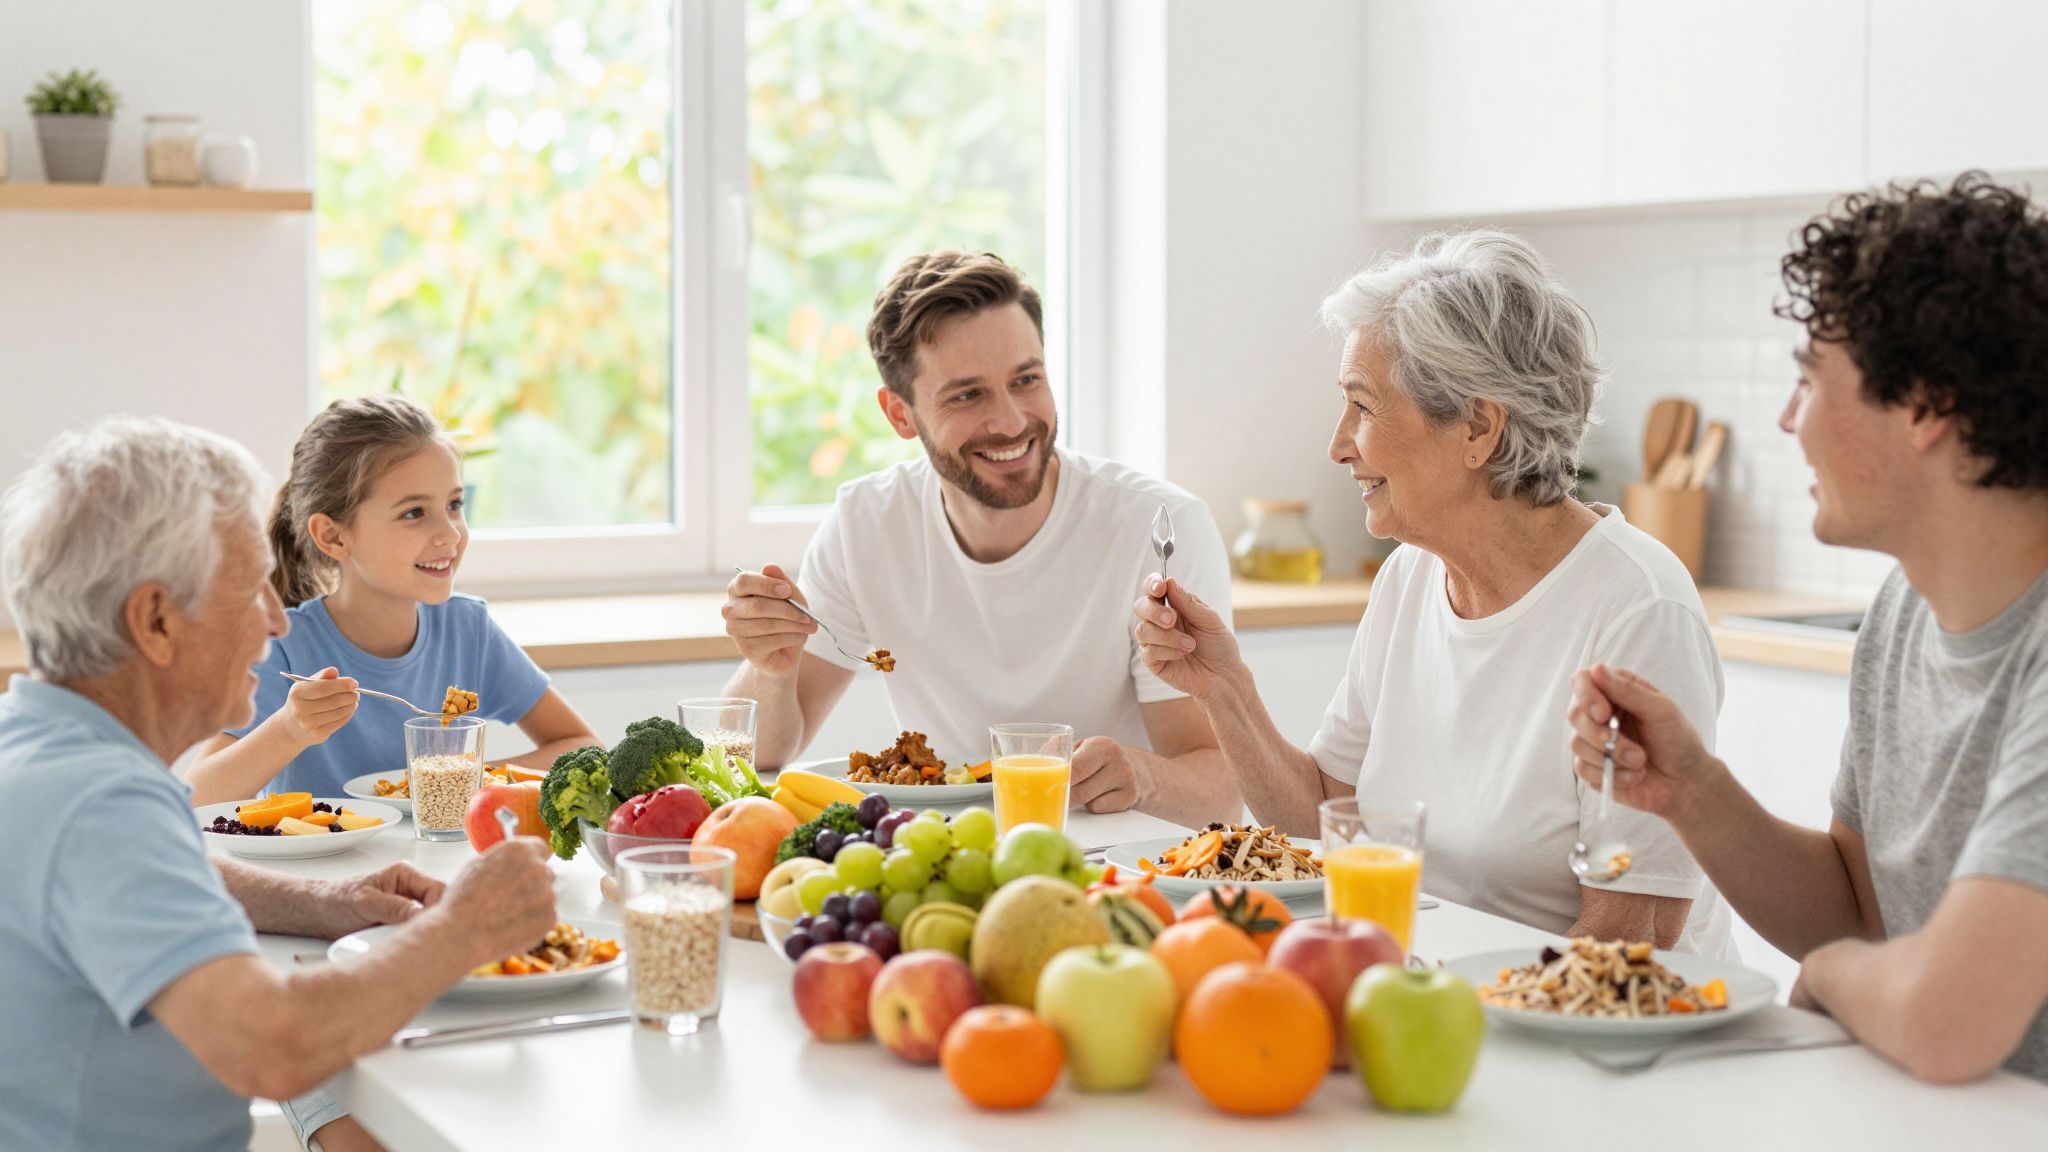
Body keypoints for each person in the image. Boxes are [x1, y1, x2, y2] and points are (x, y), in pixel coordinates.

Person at [1566, 173, 2048, 1081]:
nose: (1788, 419)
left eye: (1808, 380)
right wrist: (1691, 792)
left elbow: (1947, 1020)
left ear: (1928, 405)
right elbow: (1861, 910)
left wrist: (1826, 978)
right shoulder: (1906, 612)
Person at [1136, 229, 1733, 954]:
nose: (1338, 443)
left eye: (1362, 406)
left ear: (1478, 429)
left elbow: (1629, 933)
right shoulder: (1413, 574)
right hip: (1432, 1001)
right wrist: (1223, 688)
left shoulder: (1637, 610)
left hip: (1594, 1041)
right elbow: (1323, 816)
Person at [0, 417, 558, 1152]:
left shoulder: (45, 747)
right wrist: (467, 930)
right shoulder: (98, 804)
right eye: (249, 588)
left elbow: (168, 870)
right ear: (156, 620)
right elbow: (272, 1046)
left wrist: (329, 901)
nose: (275, 621)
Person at [720, 251, 1239, 826]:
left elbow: (1221, 787)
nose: (1013, 421)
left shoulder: (1159, 529)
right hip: (942, 859)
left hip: (1119, 871)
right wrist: (772, 671)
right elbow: (766, 754)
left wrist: (1142, 776)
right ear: (900, 414)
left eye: (1026, 379)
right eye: (967, 395)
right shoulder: (864, 525)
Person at [187, 395, 599, 807]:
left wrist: (467, 778)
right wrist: (289, 730)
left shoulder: (467, 630)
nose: (450, 534)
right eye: (414, 513)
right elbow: (196, 798)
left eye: (454, 505)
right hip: (322, 871)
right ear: (333, 537)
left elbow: (580, 745)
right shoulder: (284, 648)